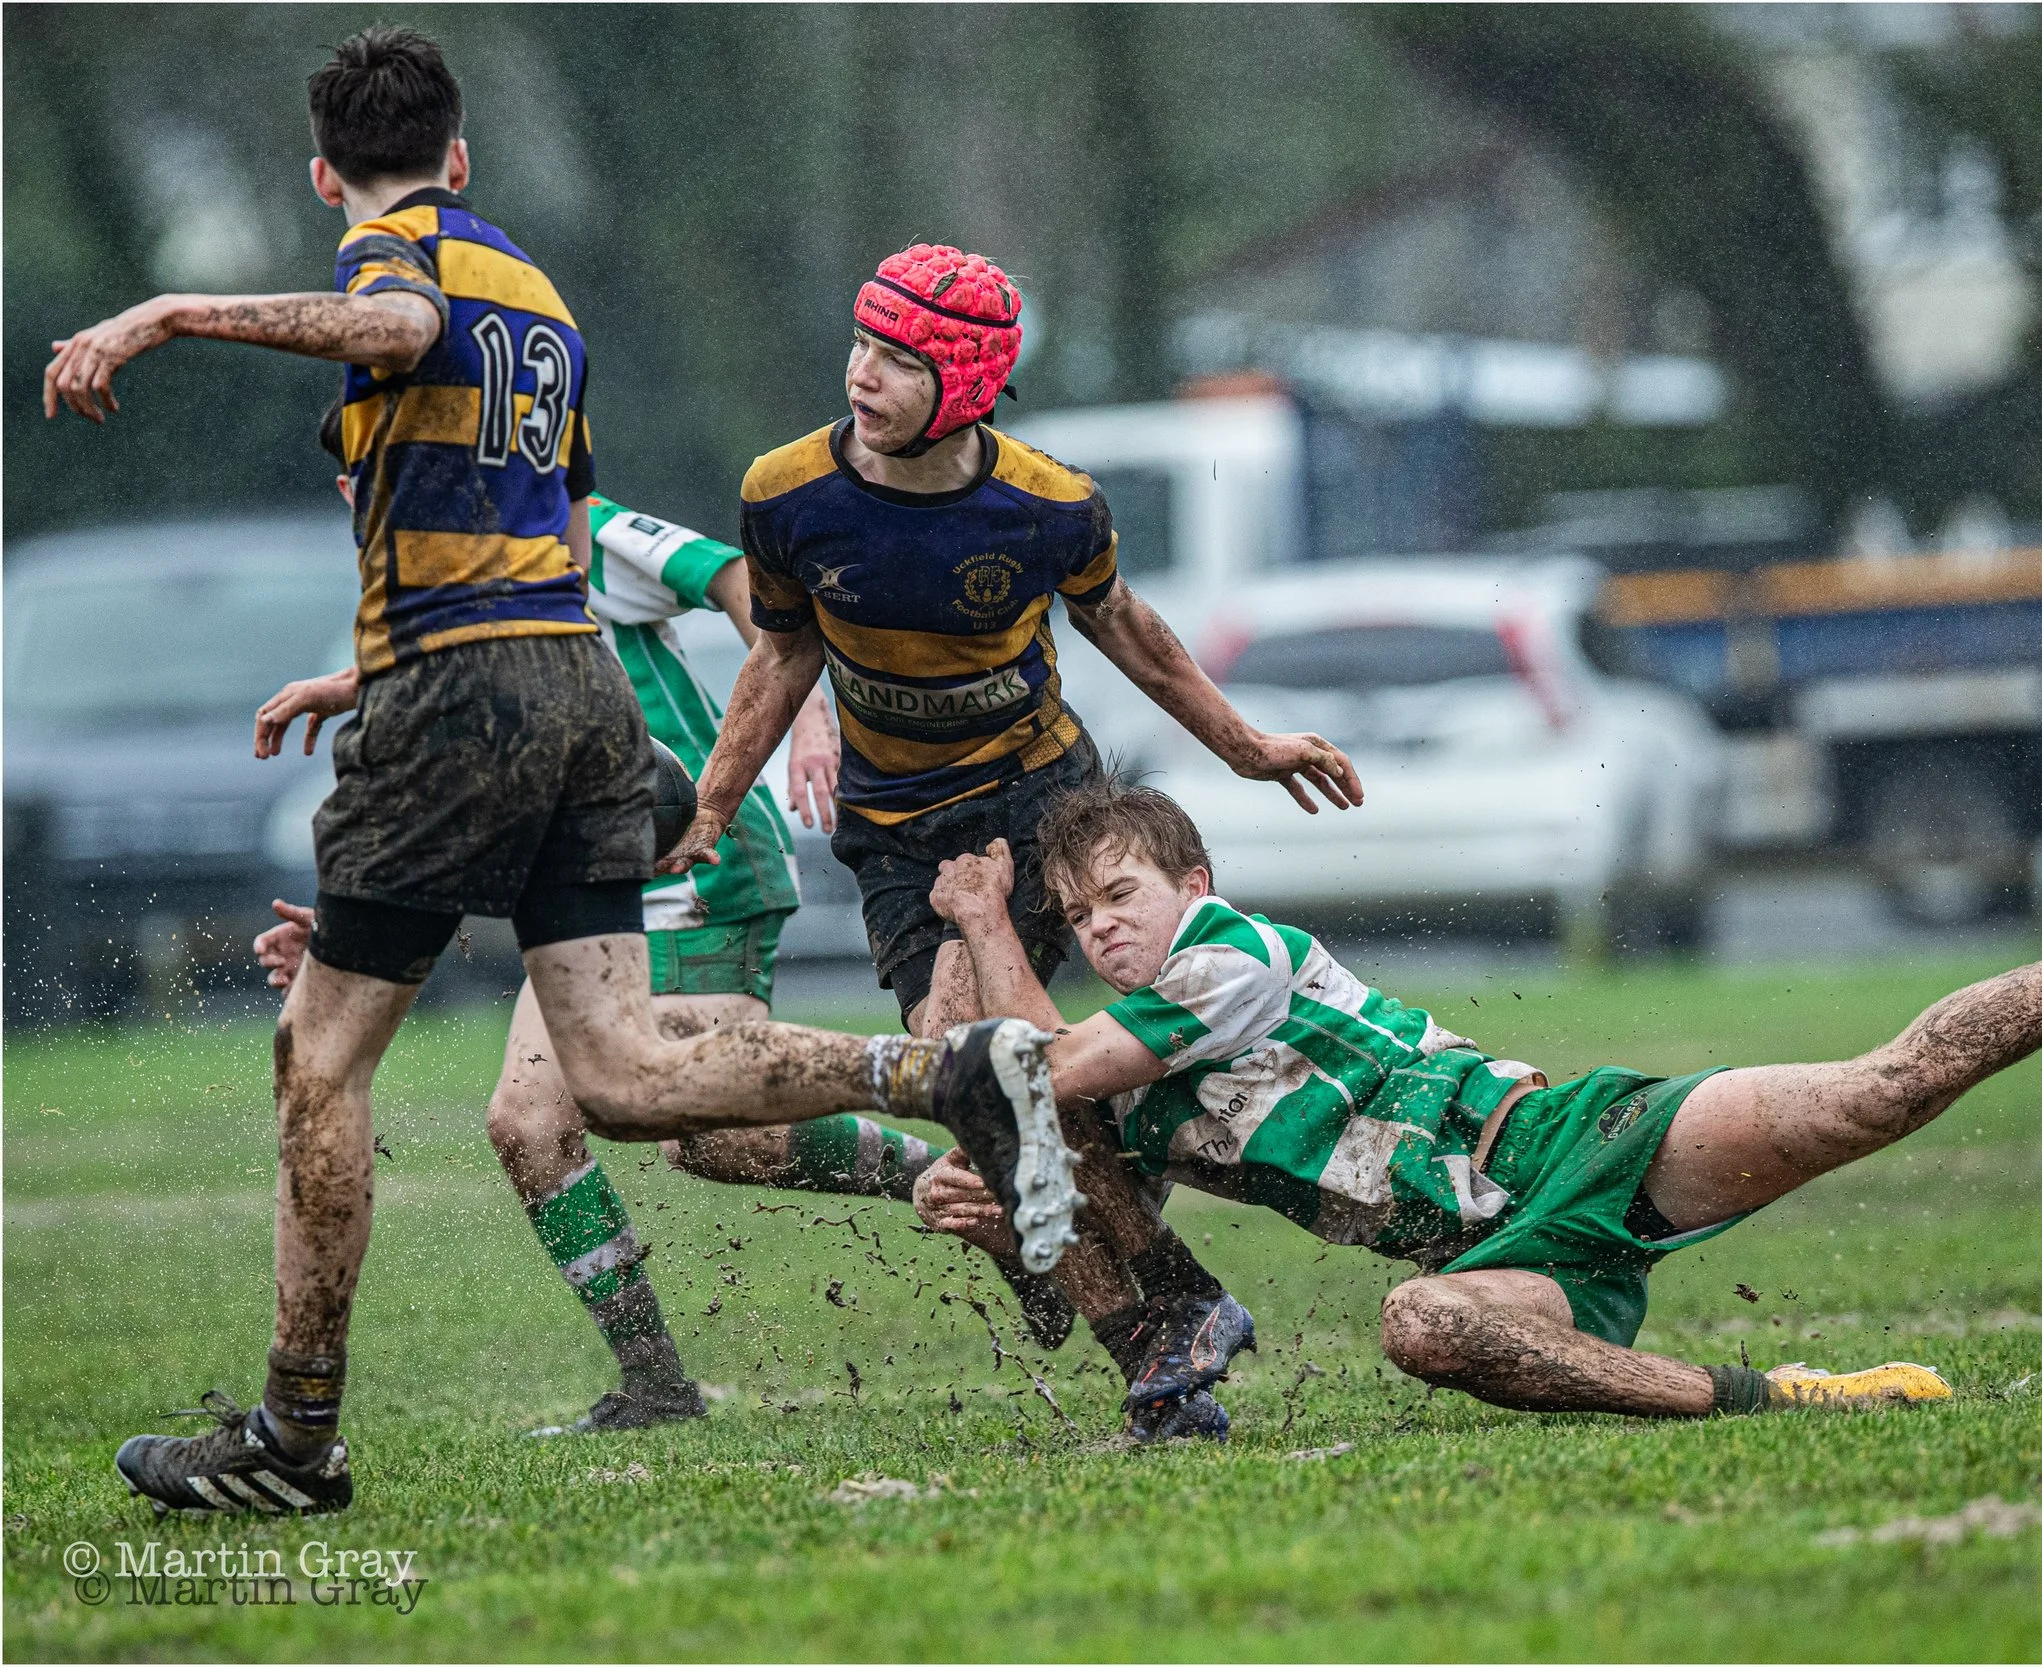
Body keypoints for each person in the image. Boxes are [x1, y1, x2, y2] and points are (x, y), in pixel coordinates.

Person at [64, 28, 1091, 1518]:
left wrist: (172, 310)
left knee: (321, 1056)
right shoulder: (539, 297)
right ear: (463, 157)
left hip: (469, 687)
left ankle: (294, 1437)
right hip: (569, 689)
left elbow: (403, 331)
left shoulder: (390, 270)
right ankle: (944, 1069)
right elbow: (548, 521)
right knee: (613, 1076)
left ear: (322, 176)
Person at [913, 780, 2042, 1419]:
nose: (1103, 925)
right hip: (1507, 1253)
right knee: (1424, 1324)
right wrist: (981, 1202)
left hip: (1567, 1137)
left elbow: (1053, 1065)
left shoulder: (1232, 954)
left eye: (1124, 896)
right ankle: (1787, 1394)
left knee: (1890, 1084)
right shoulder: (1141, 1066)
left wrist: (983, 920)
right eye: (1077, 913)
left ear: (1192, 889)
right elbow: (1066, 1142)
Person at [660, 242, 1368, 1436]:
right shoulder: (785, 490)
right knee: (973, 1084)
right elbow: (780, 655)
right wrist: (716, 801)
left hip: (1036, 801)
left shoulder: (1046, 503)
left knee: (975, 1057)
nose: (862, 375)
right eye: (860, 343)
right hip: (894, 833)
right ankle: (1164, 1298)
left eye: (897, 358)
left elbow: (1127, 628)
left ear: (970, 385)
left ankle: (1139, 1331)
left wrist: (1245, 746)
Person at [250, 485, 1077, 1435]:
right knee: (577, 1126)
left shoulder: (574, 524)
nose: (371, 487)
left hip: (692, 857)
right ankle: (663, 1375)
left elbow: (738, 580)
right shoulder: (426, 597)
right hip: (580, 884)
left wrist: (809, 713)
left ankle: (967, 1163)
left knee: (672, 1122)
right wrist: (356, 925)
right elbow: (467, 781)